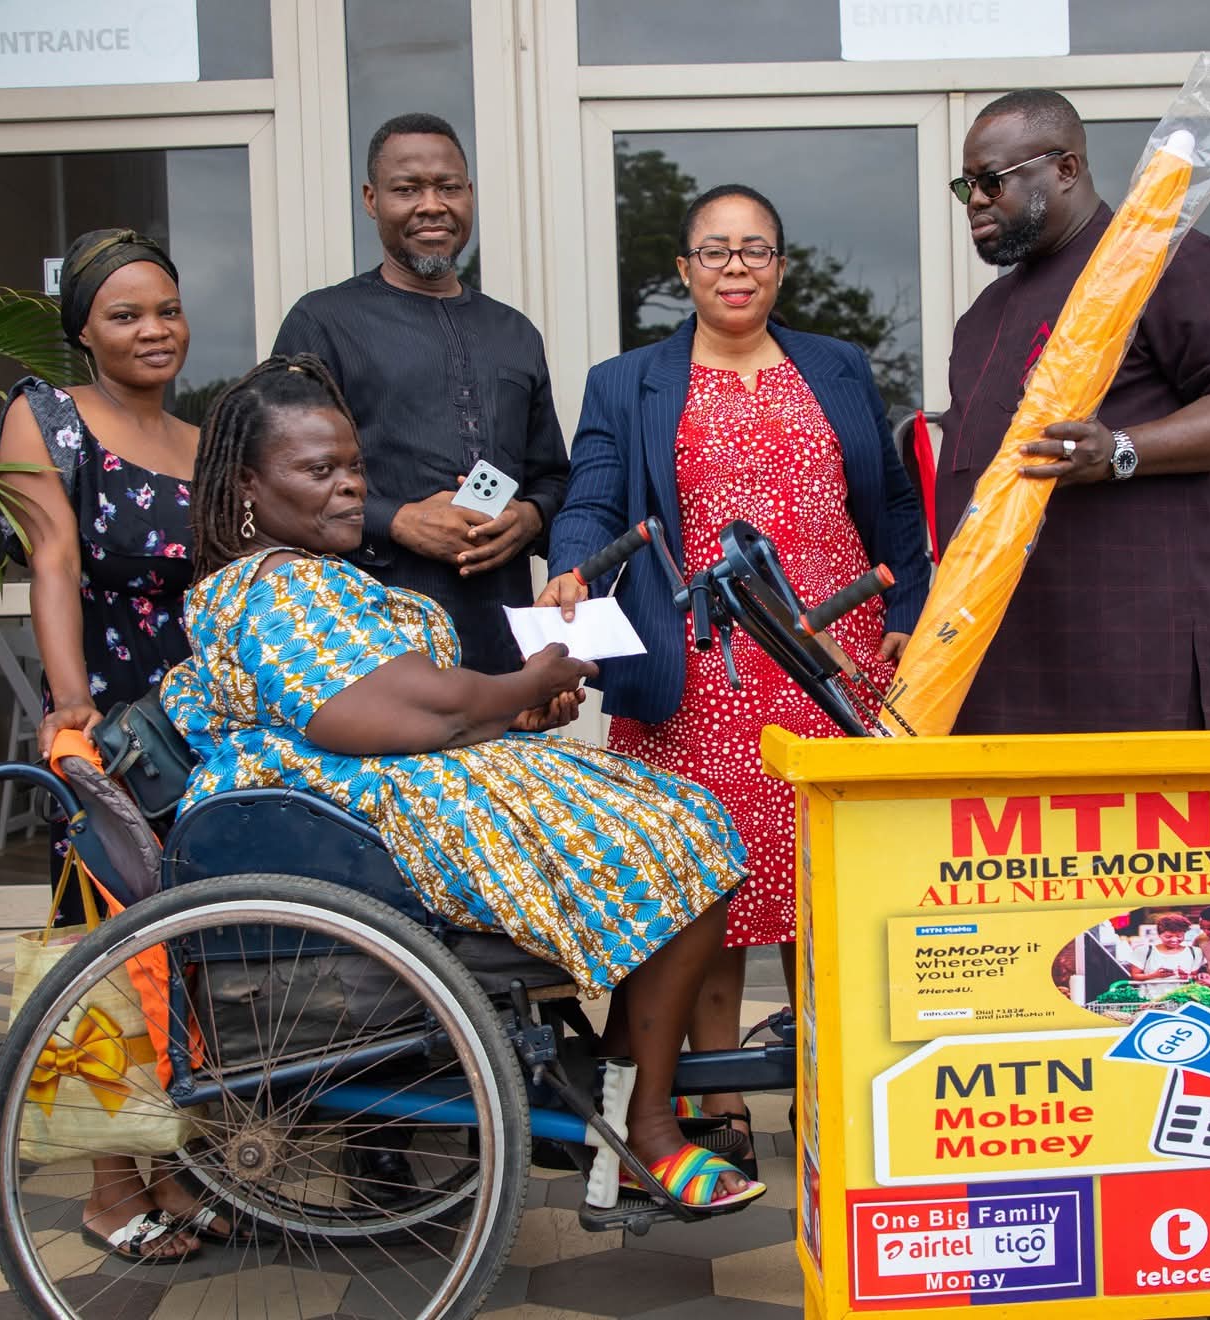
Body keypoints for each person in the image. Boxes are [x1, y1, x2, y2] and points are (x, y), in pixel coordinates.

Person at [160, 355, 764, 1213]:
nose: (346, 489)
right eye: (318, 471)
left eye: (353, 468)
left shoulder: (296, 576)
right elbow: (392, 713)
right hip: (362, 835)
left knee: (679, 818)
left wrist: (513, 714)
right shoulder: (275, 585)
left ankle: (619, 1098)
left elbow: (408, 710)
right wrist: (526, 681)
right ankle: (650, 1129)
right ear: (249, 485)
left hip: (376, 802)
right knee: (684, 836)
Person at [541, 184, 932, 1170]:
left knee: (830, 892)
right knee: (706, 893)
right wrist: (570, 568)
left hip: (829, 667)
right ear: (682, 272)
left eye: (754, 250)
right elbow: (591, 497)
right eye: (712, 252)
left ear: (781, 266)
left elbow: (889, 510)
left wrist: (904, 618)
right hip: (699, 676)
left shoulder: (837, 367)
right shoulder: (627, 381)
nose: (734, 268)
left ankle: (830, 1091)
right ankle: (715, 1104)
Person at [0, 228, 216, 1263]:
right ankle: (106, 1184)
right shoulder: (48, 420)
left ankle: (174, 1165)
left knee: (191, 939)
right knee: (108, 942)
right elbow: (50, 563)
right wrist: (72, 704)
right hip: (108, 719)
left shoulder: (200, 436)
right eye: (125, 314)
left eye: (165, 310)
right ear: (82, 329)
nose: (151, 331)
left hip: (193, 723)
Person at [937, 89, 1210, 733]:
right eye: (967, 187)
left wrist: (1120, 451)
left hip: (1125, 659)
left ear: (1065, 169)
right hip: (996, 662)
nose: (977, 200)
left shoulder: (1158, 259)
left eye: (993, 180)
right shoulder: (980, 320)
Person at [271, 112, 568, 676]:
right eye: (407, 189)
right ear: (371, 199)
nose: (432, 205)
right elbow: (277, 478)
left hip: (499, 648)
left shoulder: (514, 333)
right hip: (369, 643)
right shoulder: (323, 321)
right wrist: (397, 519)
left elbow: (552, 474)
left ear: (470, 195)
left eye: (448, 187)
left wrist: (529, 518)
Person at [1124, 914, 1204, 982]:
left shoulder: (1195, 952)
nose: (1174, 940)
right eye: (1168, 936)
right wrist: (1154, 975)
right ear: (1159, 935)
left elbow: (1194, 977)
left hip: (1183, 997)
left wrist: (1186, 976)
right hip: (1151, 997)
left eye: (1179, 936)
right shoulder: (1144, 951)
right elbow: (1135, 976)